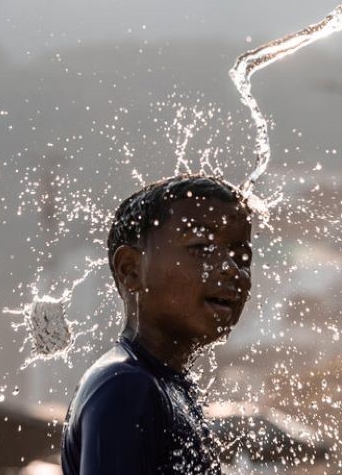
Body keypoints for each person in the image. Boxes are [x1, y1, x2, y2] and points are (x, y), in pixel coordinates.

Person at [61, 174, 254, 474]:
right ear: (131, 270)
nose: (232, 270)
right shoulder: (124, 389)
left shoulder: (164, 386)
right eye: (201, 247)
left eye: (241, 256)